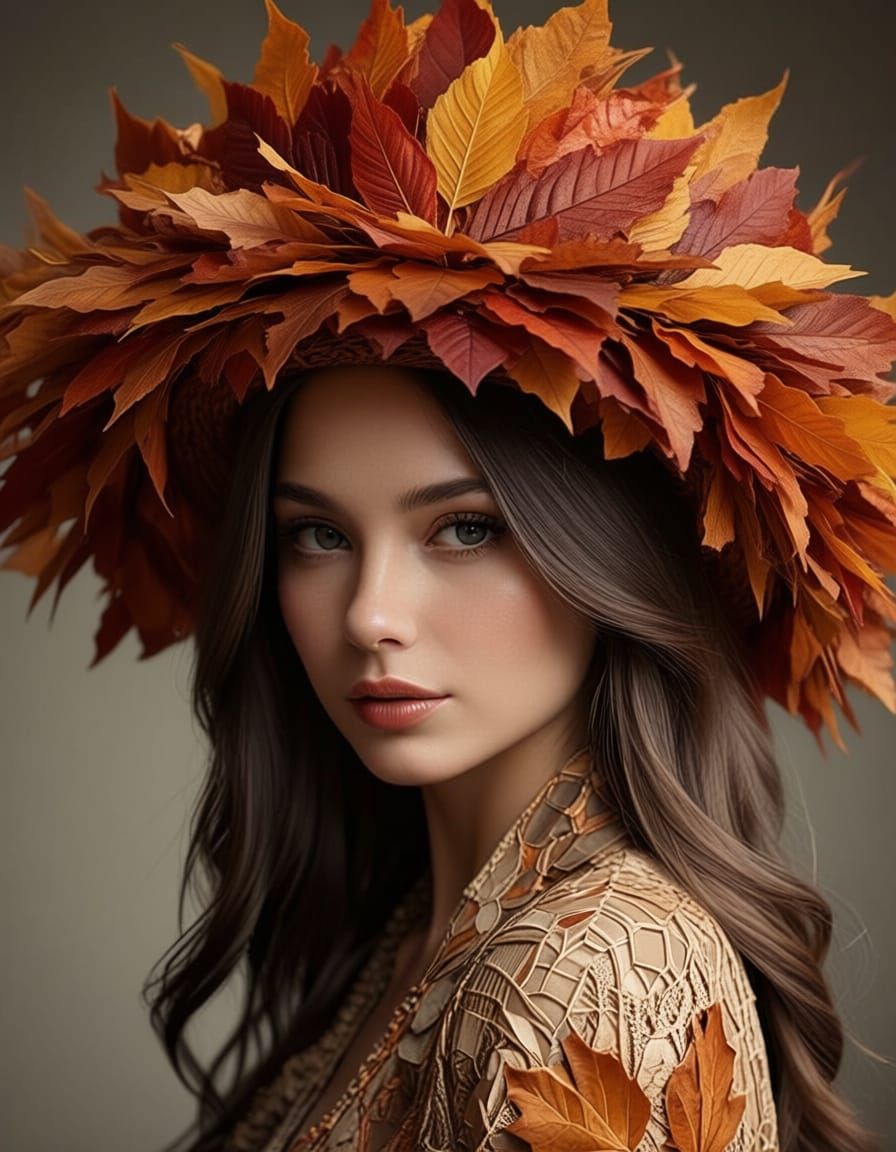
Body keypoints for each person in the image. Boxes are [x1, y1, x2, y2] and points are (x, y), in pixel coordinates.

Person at [1, 1, 894, 1150]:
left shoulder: (587, 975)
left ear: (609, 560)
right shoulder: (430, 922)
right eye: (316, 535)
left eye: (463, 531)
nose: (370, 616)